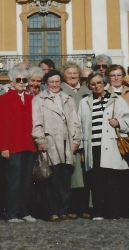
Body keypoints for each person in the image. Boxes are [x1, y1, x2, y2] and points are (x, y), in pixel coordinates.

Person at [78, 72, 129, 220]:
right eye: (93, 84)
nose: (96, 86)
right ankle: (98, 211)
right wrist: (82, 149)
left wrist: (118, 123)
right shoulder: (85, 102)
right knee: (96, 181)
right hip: (93, 146)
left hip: (110, 146)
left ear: (104, 84)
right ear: (89, 86)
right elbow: (80, 126)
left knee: (112, 181)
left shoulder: (117, 100)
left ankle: (112, 211)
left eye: (99, 83)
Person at [32, 70, 81, 222]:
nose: (54, 85)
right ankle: (52, 212)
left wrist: (76, 141)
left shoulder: (68, 99)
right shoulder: (40, 99)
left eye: (57, 82)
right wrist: (40, 140)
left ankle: (63, 211)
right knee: (51, 181)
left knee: (65, 180)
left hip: (67, 144)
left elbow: (75, 121)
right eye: (51, 82)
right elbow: (37, 121)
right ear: (46, 84)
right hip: (50, 143)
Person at [0, 66, 38, 223]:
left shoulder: (31, 99)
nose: (21, 82)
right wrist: (3, 147)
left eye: (24, 80)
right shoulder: (4, 99)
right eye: (18, 80)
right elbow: (0, 125)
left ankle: (24, 211)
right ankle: (12, 213)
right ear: (12, 81)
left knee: (27, 182)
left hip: (29, 146)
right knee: (14, 182)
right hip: (13, 147)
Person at [104, 64, 129, 218]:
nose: (116, 78)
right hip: (112, 139)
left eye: (119, 75)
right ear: (108, 78)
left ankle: (128, 206)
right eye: (113, 75)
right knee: (113, 176)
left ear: (123, 77)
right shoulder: (104, 93)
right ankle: (115, 207)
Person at [60, 62, 91, 220]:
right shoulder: (60, 91)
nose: (72, 76)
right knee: (72, 177)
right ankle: (71, 207)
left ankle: (84, 207)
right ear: (64, 76)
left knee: (85, 176)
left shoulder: (87, 91)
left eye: (75, 73)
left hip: (86, 138)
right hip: (69, 140)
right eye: (69, 73)